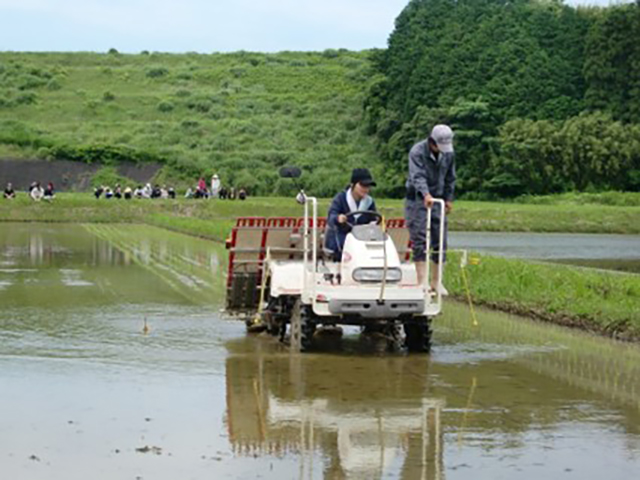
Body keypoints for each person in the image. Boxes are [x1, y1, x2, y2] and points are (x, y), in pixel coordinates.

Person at [405, 124, 456, 295]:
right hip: (418, 199)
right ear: (431, 141)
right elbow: (417, 176)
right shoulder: (417, 152)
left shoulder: (448, 154)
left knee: (440, 239)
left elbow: (450, 177)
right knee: (419, 238)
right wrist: (425, 194)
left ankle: (437, 281)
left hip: (438, 198)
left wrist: (448, 198)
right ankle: (422, 280)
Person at [325, 168, 378, 261]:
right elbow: (331, 216)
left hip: (361, 239)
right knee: (343, 243)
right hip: (341, 238)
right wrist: (338, 218)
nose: (366, 189)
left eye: (368, 186)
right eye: (362, 185)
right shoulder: (341, 198)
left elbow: (373, 218)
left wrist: (374, 223)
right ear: (353, 185)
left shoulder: (369, 202)